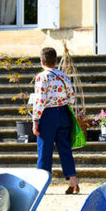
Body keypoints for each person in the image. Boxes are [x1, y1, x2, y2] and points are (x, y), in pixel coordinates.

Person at [32, 46, 80, 194]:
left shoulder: (42, 77)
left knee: (45, 150)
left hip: (48, 115)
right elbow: (71, 97)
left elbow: (40, 100)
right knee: (65, 149)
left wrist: (35, 119)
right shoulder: (64, 76)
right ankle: (73, 181)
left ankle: (42, 184)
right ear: (55, 60)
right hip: (64, 112)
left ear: (42, 61)